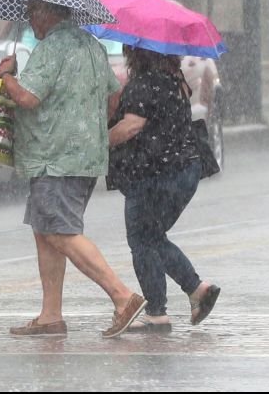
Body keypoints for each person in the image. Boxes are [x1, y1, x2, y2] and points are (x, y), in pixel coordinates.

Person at [0, 0, 147, 338]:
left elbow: (28, 98)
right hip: (84, 156)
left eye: (33, 11)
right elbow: (113, 96)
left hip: (54, 156)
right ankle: (51, 316)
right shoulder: (90, 45)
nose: (30, 18)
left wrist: (7, 76)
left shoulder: (51, 48)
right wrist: (87, 125)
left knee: (60, 232)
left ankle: (123, 298)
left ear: (50, 12)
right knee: (45, 230)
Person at [107, 45, 220, 333]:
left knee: (143, 239)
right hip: (184, 170)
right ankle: (196, 290)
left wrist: (100, 141)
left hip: (156, 173)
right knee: (152, 236)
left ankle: (158, 311)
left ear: (137, 53)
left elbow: (131, 126)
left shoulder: (145, 84)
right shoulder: (175, 79)